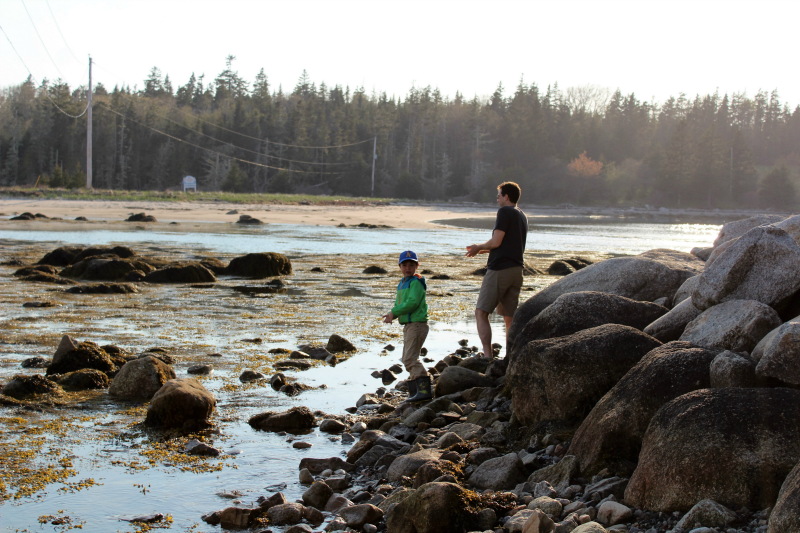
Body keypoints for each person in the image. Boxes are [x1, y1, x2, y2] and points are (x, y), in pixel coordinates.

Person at [465, 181, 528, 359]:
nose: (497, 198)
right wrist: (481, 250)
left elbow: (497, 241)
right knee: (509, 317)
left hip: (500, 269)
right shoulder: (521, 215)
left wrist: (478, 246)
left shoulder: (504, 211)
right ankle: (510, 357)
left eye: (499, 195)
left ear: (506, 197)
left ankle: (487, 356)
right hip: (517, 270)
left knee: (481, 312)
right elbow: (509, 244)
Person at [382, 250, 432, 403]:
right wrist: (393, 315)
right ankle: (415, 391)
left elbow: (412, 303)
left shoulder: (416, 282)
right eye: (405, 265)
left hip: (417, 324)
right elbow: (401, 304)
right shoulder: (403, 283)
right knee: (408, 357)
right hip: (410, 325)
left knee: (409, 359)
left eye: (412, 265)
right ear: (400, 266)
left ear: (417, 266)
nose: (408, 268)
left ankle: (424, 390)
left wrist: (393, 312)